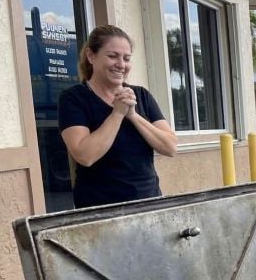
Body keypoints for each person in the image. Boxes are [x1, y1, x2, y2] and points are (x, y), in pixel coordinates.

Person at [58, 25, 177, 208]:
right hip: (100, 210)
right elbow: (85, 155)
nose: (121, 64)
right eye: (112, 56)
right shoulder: (73, 98)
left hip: (149, 202)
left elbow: (170, 147)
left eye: (126, 58)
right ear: (91, 56)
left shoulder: (141, 95)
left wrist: (133, 116)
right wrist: (117, 113)